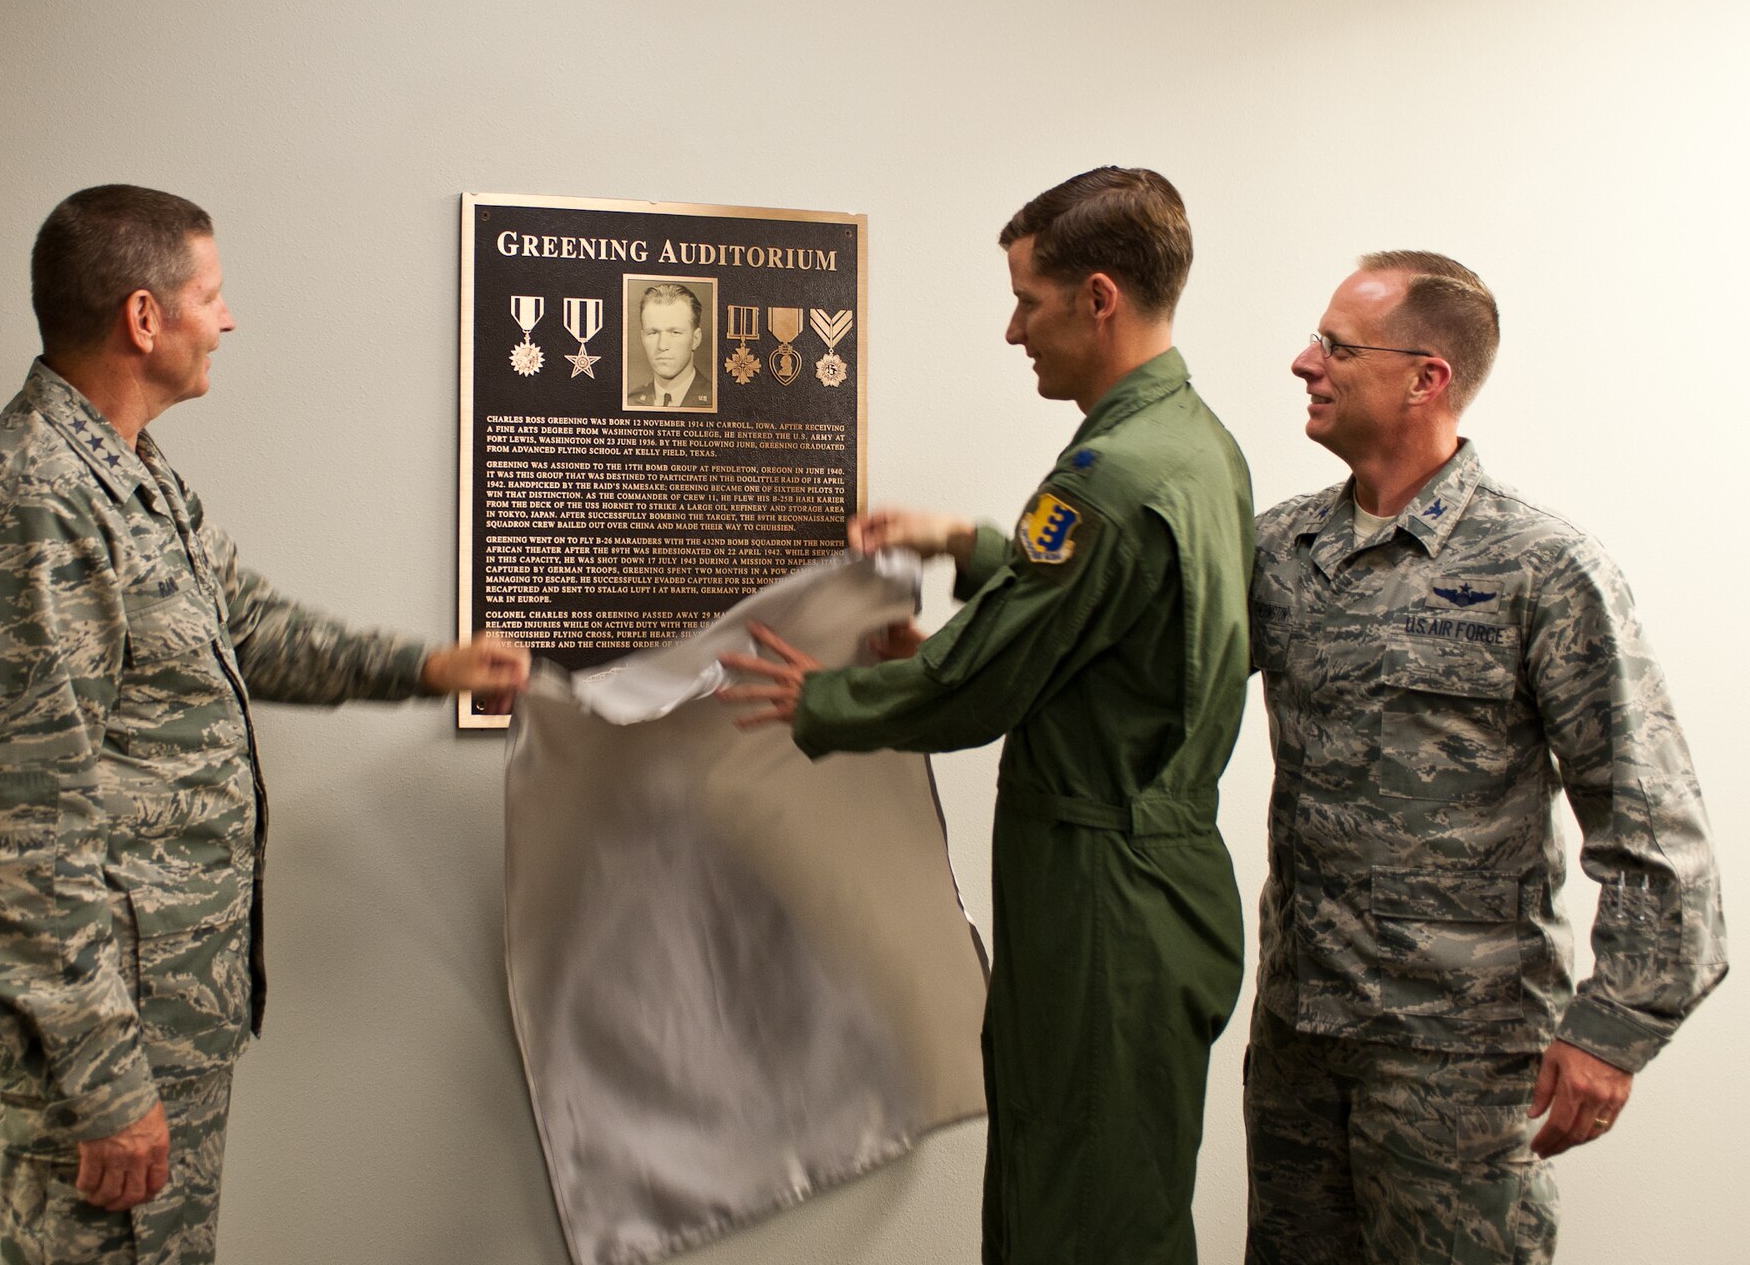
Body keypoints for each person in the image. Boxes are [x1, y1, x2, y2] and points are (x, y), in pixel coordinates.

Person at [0, 184, 529, 1265]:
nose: (228, 319)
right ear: (143, 318)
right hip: (114, 1046)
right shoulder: (32, 500)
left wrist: (428, 664)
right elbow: (16, 835)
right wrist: (104, 1081)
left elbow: (245, 623)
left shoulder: (130, 473)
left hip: (174, 1013)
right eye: (212, 294)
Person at [720, 168, 1253, 1264]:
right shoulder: (1195, 446)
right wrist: (968, 548)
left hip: (1100, 896)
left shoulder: (1106, 476)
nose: (1013, 330)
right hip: (1155, 882)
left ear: (1098, 297)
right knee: (1111, 1190)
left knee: (1076, 1214)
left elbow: (977, 685)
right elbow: (1121, 623)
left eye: (1027, 298)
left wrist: (822, 697)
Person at [1244, 252, 1727, 1264]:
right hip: (1298, 1040)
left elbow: (1650, 818)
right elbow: (1129, 665)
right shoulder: (1277, 553)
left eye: (1335, 346)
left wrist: (1611, 1027)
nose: (1303, 362)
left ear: (1426, 377)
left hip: (1457, 1063)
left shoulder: (1540, 567)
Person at [625, 282, 714, 408]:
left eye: (675, 332)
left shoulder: (718, 401)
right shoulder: (630, 402)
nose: (662, 345)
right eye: (653, 333)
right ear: (643, 338)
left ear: (695, 339)